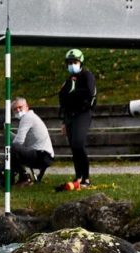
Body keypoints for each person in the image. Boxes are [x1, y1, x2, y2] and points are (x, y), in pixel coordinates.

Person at [58, 48, 96, 188]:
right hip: (69, 116)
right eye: (69, 62)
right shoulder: (68, 80)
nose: (72, 65)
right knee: (74, 146)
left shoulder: (87, 76)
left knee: (79, 143)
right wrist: (63, 121)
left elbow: (90, 94)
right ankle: (78, 176)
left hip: (82, 114)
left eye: (74, 62)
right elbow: (63, 100)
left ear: (80, 62)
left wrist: (73, 96)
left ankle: (86, 178)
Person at [10, 97, 55, 185]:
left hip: (42, 156)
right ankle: (20, 176)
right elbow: (22, 140)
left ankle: (24, 177)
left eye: (20, 107)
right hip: (45, 155)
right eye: (15, 109)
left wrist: (9, 146)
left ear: (27, 106)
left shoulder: (27, 118)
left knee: (12, 148)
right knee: (13, 147)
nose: (18, 110)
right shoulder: (30, 117)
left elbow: (18, 142)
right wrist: (6, 132)